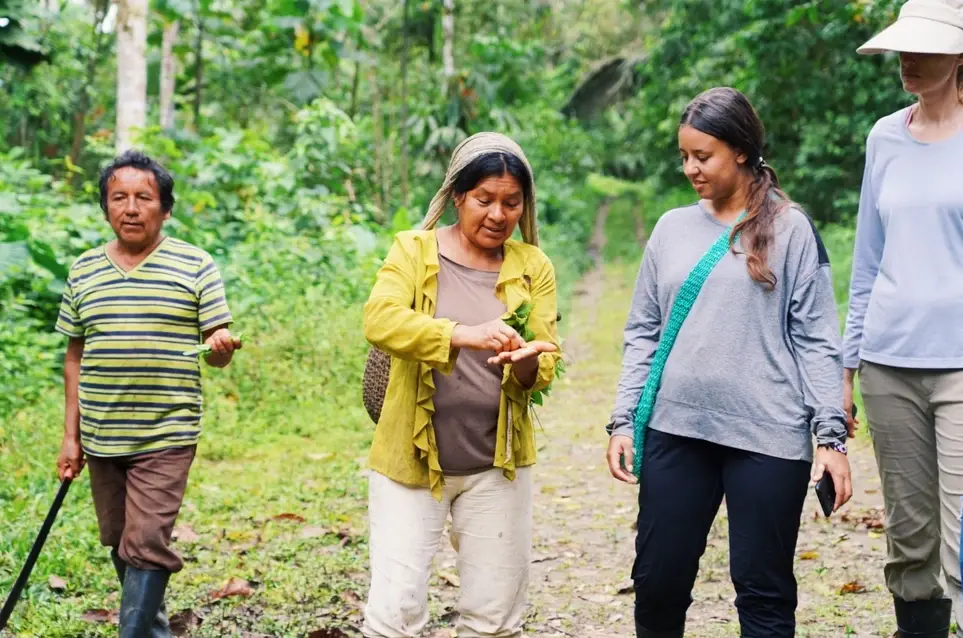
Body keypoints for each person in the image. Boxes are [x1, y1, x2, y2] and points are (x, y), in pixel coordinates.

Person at [605, 87, 853, 638]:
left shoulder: (791, 230)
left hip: (767, 437)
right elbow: (643, 331)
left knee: (763, 593)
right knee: (659, 581)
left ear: (740, 151)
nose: (690, 168)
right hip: (677, 428)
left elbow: (816, 340)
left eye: (703, 156)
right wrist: (623, 420)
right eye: (685, 156)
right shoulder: (671, 228)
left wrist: (830, 440)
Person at [360, 132, 561, 638]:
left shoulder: (532, 266)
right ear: (457, 196)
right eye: (484, 200)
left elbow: (543, 361)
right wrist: (461, 335)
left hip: (498, 466)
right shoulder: (414, 249)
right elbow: (380, 320)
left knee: (494, 618)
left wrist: (525, 363)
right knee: (395, 614)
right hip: (410, 460)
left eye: (512, 203)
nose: (498, 214)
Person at [55, 150, 242, 638]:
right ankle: (152, 631)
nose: (131, 208)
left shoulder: (195, 265)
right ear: (105, 208)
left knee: (146, 540)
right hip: (102, 435)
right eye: (119, 198)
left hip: (167, 431)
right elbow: (74, 356)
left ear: (165, 208)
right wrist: (70, 437)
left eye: (144, 198)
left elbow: (216, 351)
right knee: (121, 541)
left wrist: (220, 348)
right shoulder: (84, 271)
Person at [844, 2, 963, 635]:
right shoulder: (884, 136)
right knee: (911, 536)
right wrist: (847, 365)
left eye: (924, 48)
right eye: (902, 49)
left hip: (961, 367)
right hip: (889, 366)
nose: (907, 61)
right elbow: (867, 260)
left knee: (962, 535)